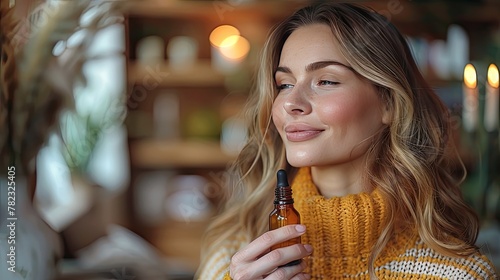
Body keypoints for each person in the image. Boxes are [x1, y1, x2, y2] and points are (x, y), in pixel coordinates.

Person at [195, 2, 499, 279]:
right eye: (284, 84)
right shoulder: (231, 257)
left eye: (326, 80)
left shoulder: (459, 274)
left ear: (389, 104)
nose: (291, 102)